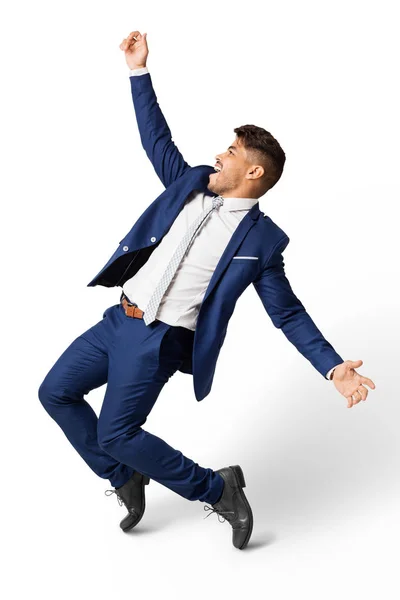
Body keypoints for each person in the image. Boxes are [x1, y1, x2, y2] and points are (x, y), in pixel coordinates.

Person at [38, 30, 376, 550]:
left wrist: (333, 367)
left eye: (232, 151)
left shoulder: (262, 240)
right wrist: (138, 71)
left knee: (118, 432)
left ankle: (218, 489)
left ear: (253, 171)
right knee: (55, 392)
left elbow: (288, 313)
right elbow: (157, 140)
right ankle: (123, 476)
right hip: (118, 318)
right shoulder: (190, 182)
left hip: (158, 339)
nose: (220, 154)